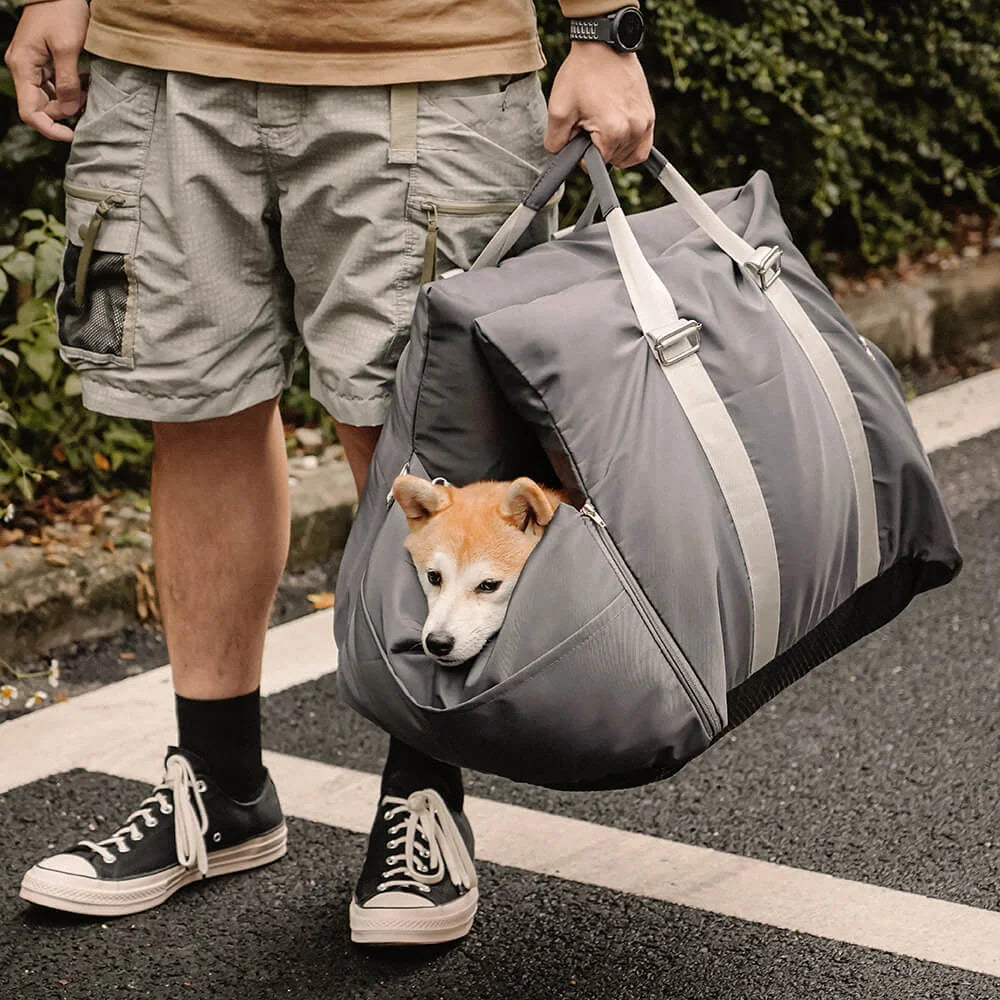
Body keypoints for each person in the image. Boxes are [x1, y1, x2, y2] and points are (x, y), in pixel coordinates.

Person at [6, 0, 655, 944]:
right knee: (195, 412)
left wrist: (605, 28)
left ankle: (423, 796)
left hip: (422, 55)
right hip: (161, 57)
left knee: (421, 439)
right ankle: (222, 791)